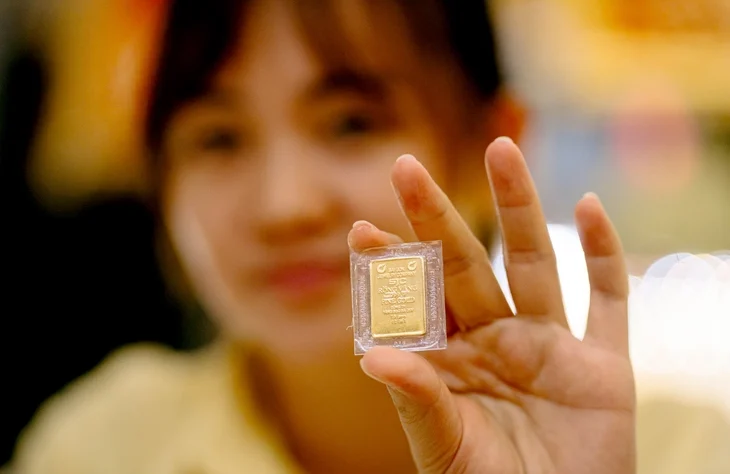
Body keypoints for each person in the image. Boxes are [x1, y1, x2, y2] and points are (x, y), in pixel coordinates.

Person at [10, 0, 730, 473]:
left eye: (351, 124)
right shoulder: (102, 445)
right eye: (218, 138)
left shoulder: (688, 454)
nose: (284, 206)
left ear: (492, 144)